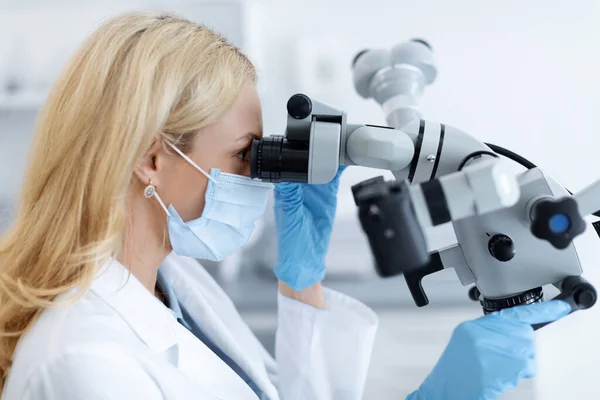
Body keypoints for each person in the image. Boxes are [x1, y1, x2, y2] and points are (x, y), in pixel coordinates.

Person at [0, 12, 571, 400]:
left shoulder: (176, 286)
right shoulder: (84, 364)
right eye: (246, 155)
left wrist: (304, 283)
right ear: (152, 159)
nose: (259, 177)